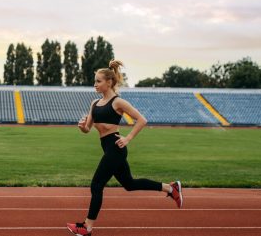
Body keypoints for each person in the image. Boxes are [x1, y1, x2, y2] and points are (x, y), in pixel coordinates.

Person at [67, 60, 183, 236]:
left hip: (116, 148)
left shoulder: (118, 102)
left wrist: (128, 138)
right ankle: (170, 188)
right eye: (95, 81)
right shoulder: (94, 104)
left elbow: (142, 120)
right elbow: (88, 129)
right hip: (108, 149)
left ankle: (87, 227)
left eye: (98, 81)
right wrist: (81, 127)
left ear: (109, 82)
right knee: (129, 184)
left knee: (96, 185)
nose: (95, 85)